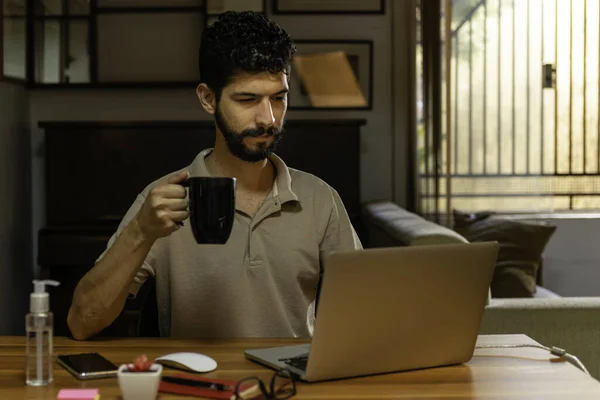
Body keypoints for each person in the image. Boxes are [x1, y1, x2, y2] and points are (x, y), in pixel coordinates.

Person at [67, 11, 362, 340]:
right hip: (196, 386)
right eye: (247, 99)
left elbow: (364, 311)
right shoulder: (164, 200)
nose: (268, 118)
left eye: (279, 98)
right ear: (208, 98)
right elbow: (82, 322)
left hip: (290, 386)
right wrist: (141, 232)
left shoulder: (321, 200)